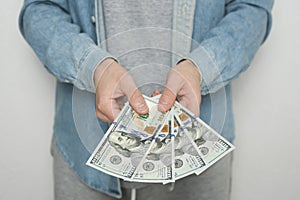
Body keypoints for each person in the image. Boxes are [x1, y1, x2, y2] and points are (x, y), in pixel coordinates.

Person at [19, 0, 273, 200]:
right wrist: (92, 67)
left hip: (198, 141)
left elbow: (252, 7)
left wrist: (202, 69)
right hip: (83, 144)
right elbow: (40, 8)